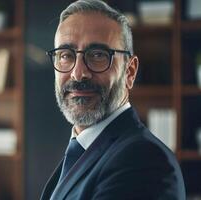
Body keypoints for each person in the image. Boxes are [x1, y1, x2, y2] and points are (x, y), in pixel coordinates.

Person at [40, 0, 186, 199]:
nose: (78, 73)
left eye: (98, 55)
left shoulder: (144, 162)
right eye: (66, 55)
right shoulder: (83, 150)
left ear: (130, 72)